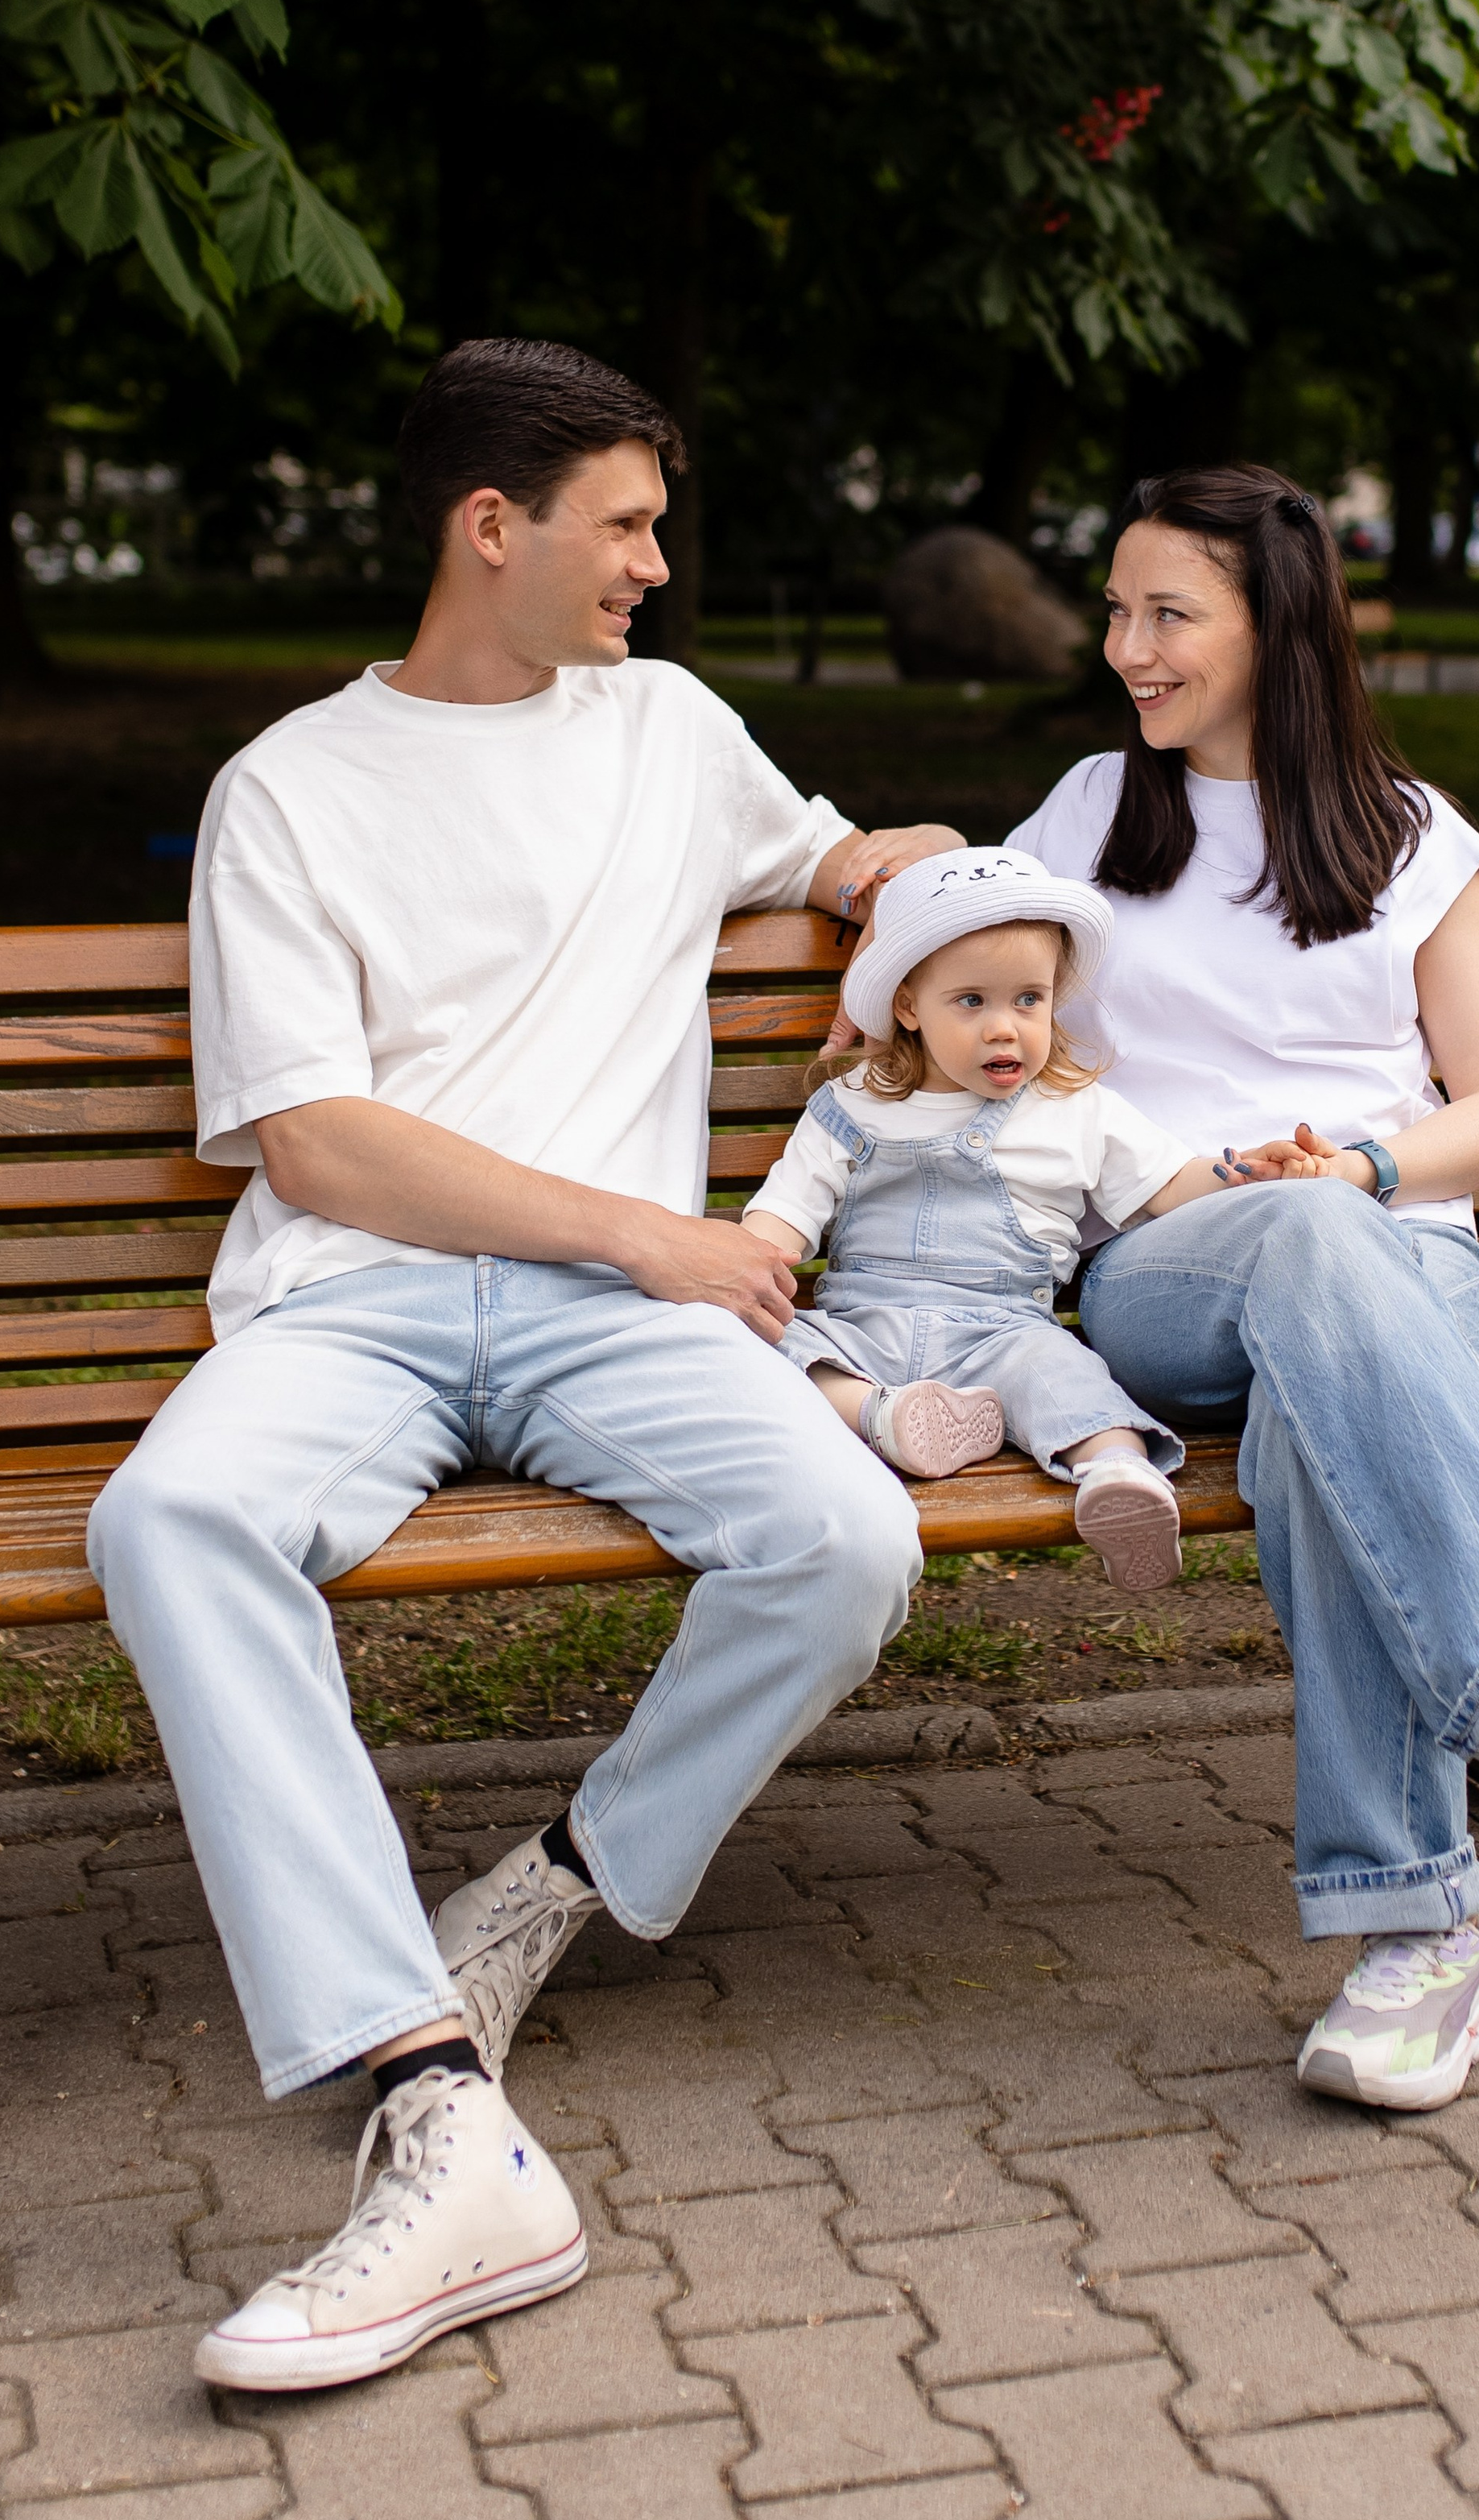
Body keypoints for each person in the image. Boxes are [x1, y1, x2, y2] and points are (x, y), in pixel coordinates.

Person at [87, 337, 963, 2392]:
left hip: (605, 1331)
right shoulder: (290, 788)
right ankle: (430, 2102)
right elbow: (319, 1142)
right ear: (494, 526)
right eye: (627, 523)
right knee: (175, 1514)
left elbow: (844, 856)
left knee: (842, 1541)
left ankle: (554, 1883)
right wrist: (647, 1228)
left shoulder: (666, 728)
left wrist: (910, 903)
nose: (656, 562)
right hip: (362, 1289)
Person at [1008, 464, 1479, 2115]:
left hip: (1392, 1256)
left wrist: (1367, 1172)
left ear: (1278, 626)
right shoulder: (1080, 817)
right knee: (1306, 1255)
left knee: (1310, 1438)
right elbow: (991, 1033)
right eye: (1116, 609)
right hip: (1168, 1270)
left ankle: (1421, 1948)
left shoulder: (1402, 838)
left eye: (1166, 613)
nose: (1126, 644)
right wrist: (1195, 1180)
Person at [742, 845, 1231, 1592]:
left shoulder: (1078, 1110)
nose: (1005, 1029)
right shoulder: (853, 1107)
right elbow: (782, 1217)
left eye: (1028, 1000)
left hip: (1003, 1332)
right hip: (862, 1328)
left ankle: (1117, 1475)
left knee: (1063, 1373)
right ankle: (887, 1415)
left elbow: (1173, 1187)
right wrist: (744, 1272)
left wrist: (1241, 1173)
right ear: (909, 1007)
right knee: (771, 1354)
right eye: (972, 1002)